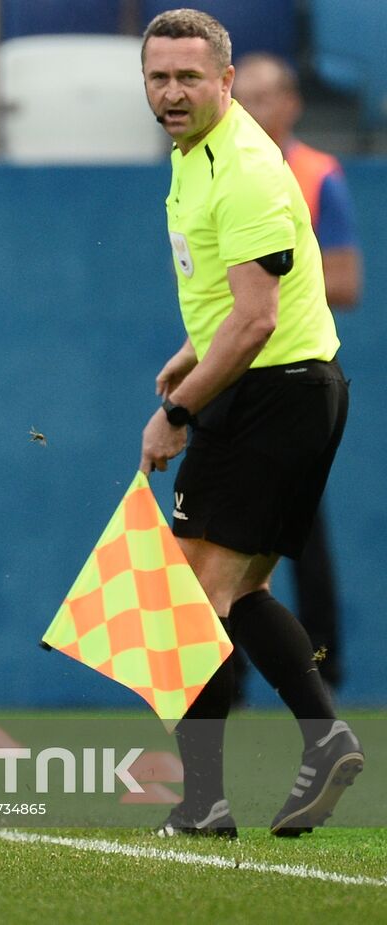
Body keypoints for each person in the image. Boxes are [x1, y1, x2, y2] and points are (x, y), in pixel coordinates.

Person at [138, 9, 362, 839]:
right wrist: (190, 352)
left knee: (190, 599)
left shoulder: (246, 165)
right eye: (159, 77)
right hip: (260, 385)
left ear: (225, 83)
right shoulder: (192, 155)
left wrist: (177, 409)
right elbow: (233, 300)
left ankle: (205, 802)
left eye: (188, 77)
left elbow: (260, 318)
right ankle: (323, 737)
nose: (171, 91)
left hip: (276, 389)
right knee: (237, 589)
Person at [232, 52, 362, 692]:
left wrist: (266, 296)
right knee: (229, 537)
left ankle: (323, 676)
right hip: (231, 370)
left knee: (296, 532)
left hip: (291, 373)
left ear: (291, 105)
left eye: (264, 97)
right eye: (242, 97)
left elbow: (346, 280)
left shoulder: (316, 176)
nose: (251, 109)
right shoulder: (217, 171)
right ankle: (227, 684)